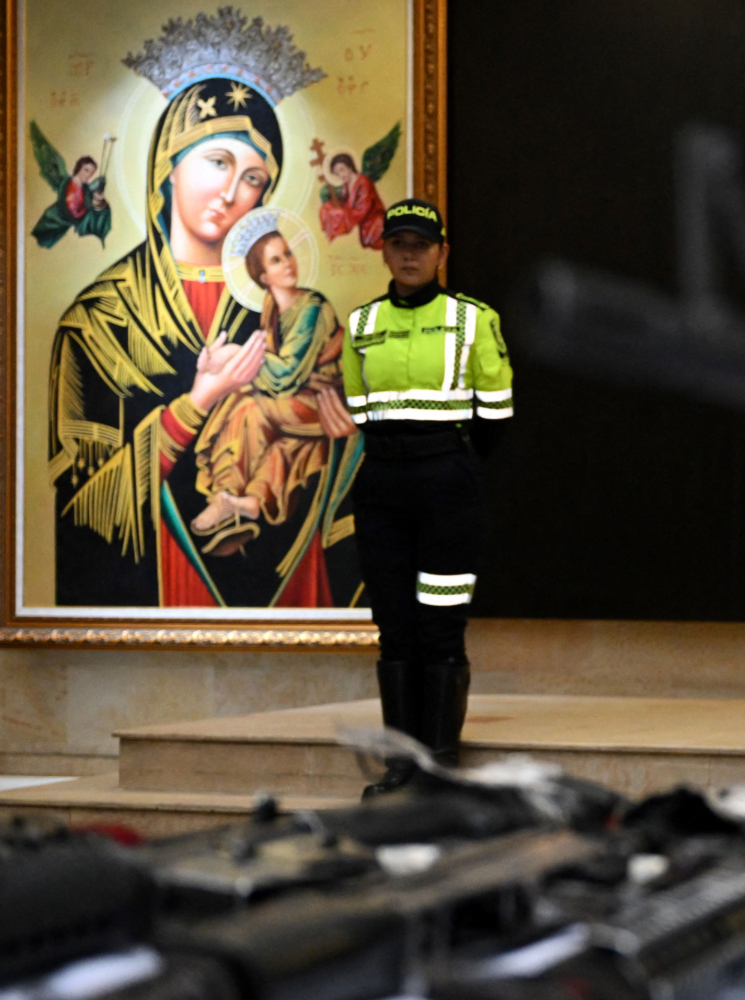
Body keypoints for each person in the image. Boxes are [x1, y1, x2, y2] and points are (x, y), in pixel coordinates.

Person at [48, 72, 361, 608]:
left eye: (253, 178)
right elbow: (82, 503)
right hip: (153, 596)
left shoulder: (285, 310)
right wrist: (194, 407)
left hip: (284, 596)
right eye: (217, 162)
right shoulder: (96, 322)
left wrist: (345, 443)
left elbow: (334, 429)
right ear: (168, 166)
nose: (231, 192)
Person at [342, 199, 514, 797]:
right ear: (384, 252)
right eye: (399, 244)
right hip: (381, 484)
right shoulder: (361, 324)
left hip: (447, 483)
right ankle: (400, 766)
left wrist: (450, 463)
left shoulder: (473, 319)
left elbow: (496, 415)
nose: (409, 255)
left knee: (440, 625)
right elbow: (360, 411)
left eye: (422, 245)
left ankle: (438, 767)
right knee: (394, 625)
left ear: (442, 253)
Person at [191, 225, 356, 556]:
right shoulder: (272, 309)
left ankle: (224, 493)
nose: (289, 263)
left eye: (288, 254)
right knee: (283, 447)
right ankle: (245, 503)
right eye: (277, 260)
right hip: (297, 408)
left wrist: (234, 354)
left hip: (325, 403)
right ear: (263, 276)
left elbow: (285, 376)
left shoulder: (312, 308)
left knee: (247, 408)